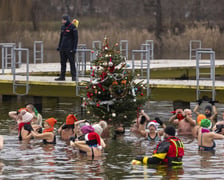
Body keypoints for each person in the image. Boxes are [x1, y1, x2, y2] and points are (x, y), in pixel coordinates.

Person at [55, 14, 78, 81]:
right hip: (63, 48)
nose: (62, 21)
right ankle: (62, 76)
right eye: (62, 19)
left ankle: (74, 77)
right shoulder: (62, 27)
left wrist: (74, 48)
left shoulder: (73, 27)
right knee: (62, 63)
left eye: (64, 20)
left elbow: (75, 39)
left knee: (72, 62)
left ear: (67, 20)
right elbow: (61, 38)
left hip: (70, 49)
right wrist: (59, 46)